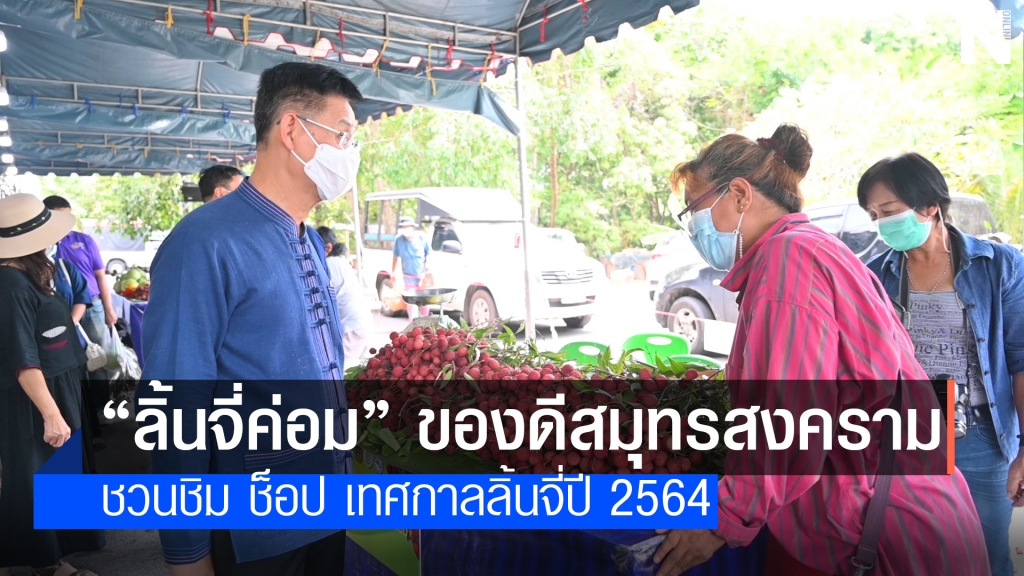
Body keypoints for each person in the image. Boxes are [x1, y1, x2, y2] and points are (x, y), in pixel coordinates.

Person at [652, 124, 989, 576]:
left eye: (695, 209)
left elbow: (793, 422)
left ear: (740, 194)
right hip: (899, 515)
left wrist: (722, 520)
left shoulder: (788, 262)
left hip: (888, 535)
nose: (694, 226)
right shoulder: (812, 249)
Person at [138, 61, 362, 576]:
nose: (349, 153)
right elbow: (174, 406)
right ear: (292, 130)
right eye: (342, 135)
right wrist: (188, 555)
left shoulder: (308, 238)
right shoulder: (204, 244)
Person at [859, 153, 1024, 576]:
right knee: (919, 556)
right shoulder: (875, 276)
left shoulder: (999, 267)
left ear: (931, 205)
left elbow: (1020, 360)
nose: (882, 224)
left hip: (980, 438)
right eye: (874, 216)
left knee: (988, 558)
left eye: (889, 211)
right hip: (906, 438)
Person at [0, 193, 105, 576]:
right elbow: (22, 357)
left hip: (57, 386)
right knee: (36, 477)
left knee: (54, 476)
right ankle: (46, 560)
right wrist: (51, 413)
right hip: (35, 396)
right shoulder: (11, 283)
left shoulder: (28, 274)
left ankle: (52, 557)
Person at [42, 195, 117, 426]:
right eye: (61, 217)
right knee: (68, 364)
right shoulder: (42, 244)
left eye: (70, 217)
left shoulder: (84, 240)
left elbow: (100, 276)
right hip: (59, 311)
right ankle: (80, 415)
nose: (67, 223)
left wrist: (109, 308)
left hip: (91, 306)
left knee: (97, 358)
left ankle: (102, 408)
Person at [317, 226, 374, 368]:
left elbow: (321, 297)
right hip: (360, 324)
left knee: (342, 371)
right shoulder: (340, 261)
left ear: (328, 247)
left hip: (352, 327)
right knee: (354, 372)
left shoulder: (330, 264)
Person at [392, 217, 431, 319]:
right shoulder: (399, 240)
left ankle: (425, 325)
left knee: (425, 305)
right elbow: (395, 257)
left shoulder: (422, 238)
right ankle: (413, 325)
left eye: (407, 227)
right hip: (408, 278)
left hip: (422, 277)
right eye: (403, 227)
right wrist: (393, 273)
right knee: (412, 305)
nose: (406, 229)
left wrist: (427, 270)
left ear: (413, 227)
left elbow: (429, 254)